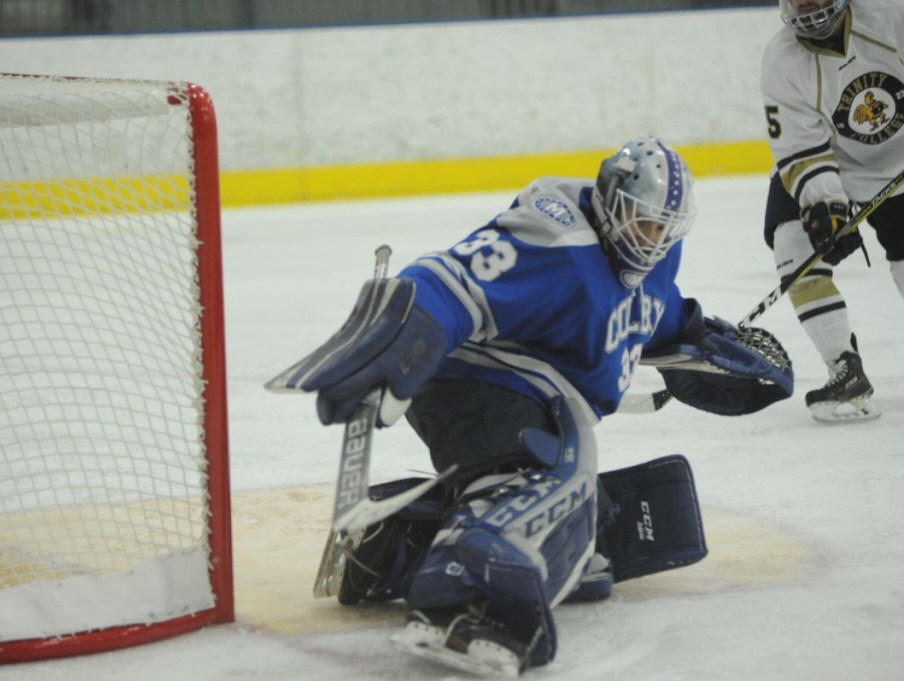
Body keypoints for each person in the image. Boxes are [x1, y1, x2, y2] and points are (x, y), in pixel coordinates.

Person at [267, 136, 793, 677]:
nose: (650, 240)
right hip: (476, 375)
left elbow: (645, 311)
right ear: (612, 201)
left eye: (663, 229)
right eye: (641, 221)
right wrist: (405, 333)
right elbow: (450, 281)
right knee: (553, 479)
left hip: (541, 390)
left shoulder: (656, 259)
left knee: (582, 523)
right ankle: (470, 595)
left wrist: (697, 338)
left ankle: (394, 544)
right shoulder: (558, 236)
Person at [760, 0, 904, 422]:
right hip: (830, 163)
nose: (807, 6)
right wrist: (826, 206)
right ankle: (844, 368)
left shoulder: (890, 15)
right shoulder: (782, 60)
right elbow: (800, 147)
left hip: (897, 163)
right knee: (794, 248)